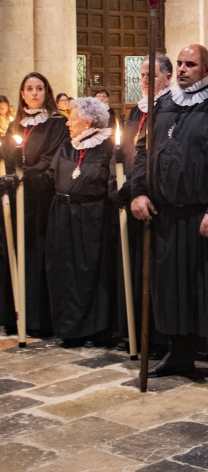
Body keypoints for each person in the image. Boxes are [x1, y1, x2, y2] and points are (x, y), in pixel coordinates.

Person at [130, 45, 208, 391]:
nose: (182, 69)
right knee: (172, 289)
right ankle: (180, 353)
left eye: (190, 64)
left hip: (205, 215)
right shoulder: (163, 104)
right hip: (167, 215)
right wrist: (138, 191)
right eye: (179, 64)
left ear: (207, 69)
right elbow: (142, 151)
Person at [109, 53, 172, 355]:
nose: (145, 80)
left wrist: (139, 188)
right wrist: (122, 186)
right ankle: (134, 332)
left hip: (155, 202)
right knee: (135, 268)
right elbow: (125, 153)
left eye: (151, 75)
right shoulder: (137, 110)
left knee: (157, 273)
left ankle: (159, 338)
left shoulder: (169, 108)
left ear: (167, 78)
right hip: (133, 196)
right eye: (142, 75)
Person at [45, 97, 117, 347]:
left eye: (72, 118)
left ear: (87, 122)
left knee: (89, 274)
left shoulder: (107, 148)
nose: (67, 123)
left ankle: (95, 329)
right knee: (63, 271)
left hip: (91, 218)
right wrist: (23, 178)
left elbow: (113, 182)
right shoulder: (67, 146)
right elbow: (50, 176)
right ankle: (69, 329)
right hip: (62, 215)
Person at [0, 73, 69, 335]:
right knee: (13, 250)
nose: (34, 93)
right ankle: (13, 315)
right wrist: (9, 175)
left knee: (35, 254)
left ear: (46, 92)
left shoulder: (56, 123)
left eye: (39, 88)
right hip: (15, 196)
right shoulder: (15, 124)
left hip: (39, 197)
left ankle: (37, 319)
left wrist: (24, 176)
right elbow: (8, 155)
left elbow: (50, 159)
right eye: (29, 89)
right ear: (22, 94)